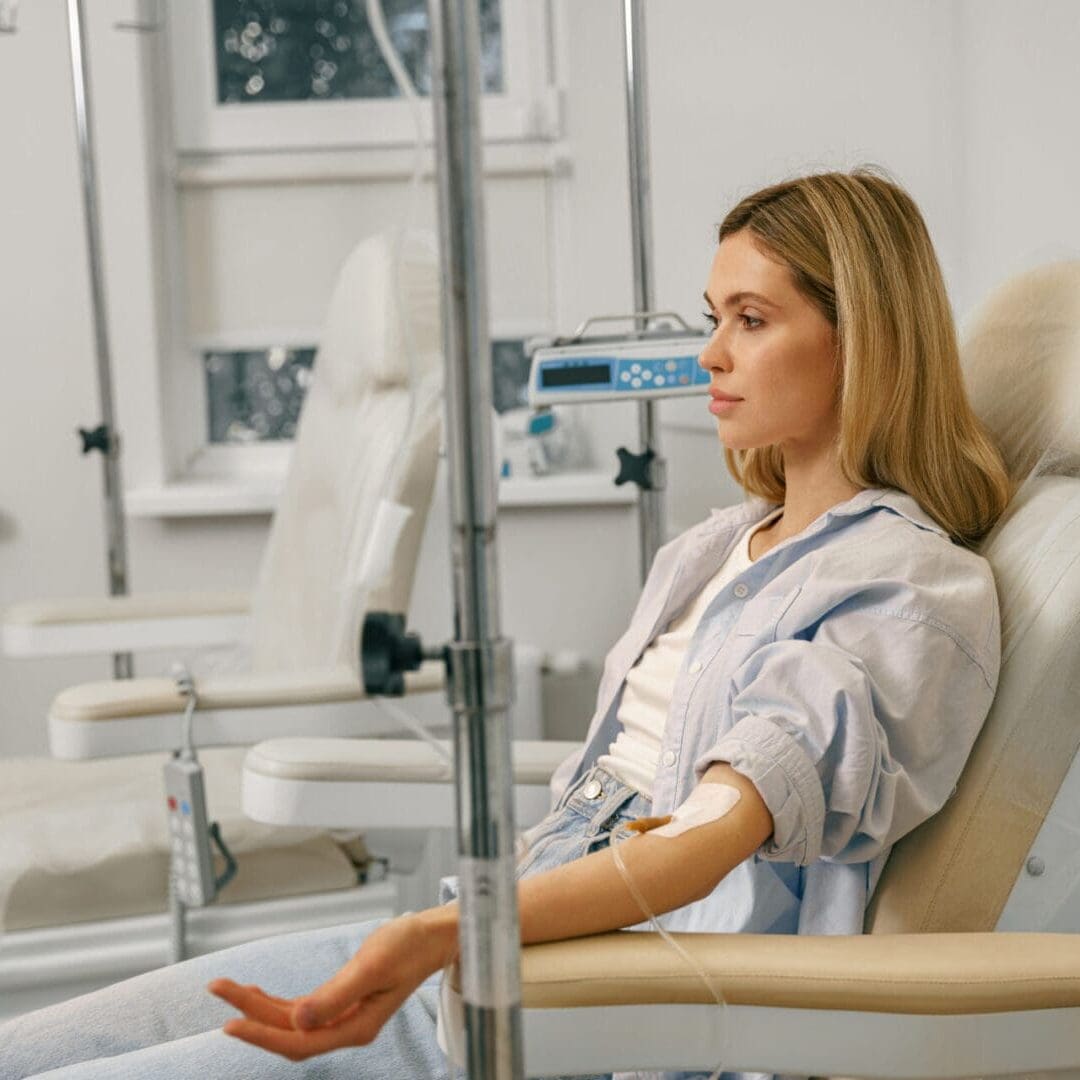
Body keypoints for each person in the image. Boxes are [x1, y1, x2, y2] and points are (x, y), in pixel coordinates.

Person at [0, 167, 1013, 1080]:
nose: (708, 353)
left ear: (863, 338)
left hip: (603, 1001)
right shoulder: (713, 550)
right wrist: (443, 931)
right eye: (713, 316)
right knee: (37, 1046)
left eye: (751, 319)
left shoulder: (909, 589)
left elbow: (699, 847)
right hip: (512, 930)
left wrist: (442, 939)